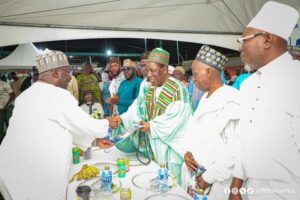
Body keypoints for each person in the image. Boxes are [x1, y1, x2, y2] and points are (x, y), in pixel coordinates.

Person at [0, 50, 118, 200]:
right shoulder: (57, 94)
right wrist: (108, 122)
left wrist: (93, 140)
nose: (70, 77)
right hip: (35, 175)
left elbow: (56, 127)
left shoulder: (25, 96)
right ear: (55, 73)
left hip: (10, 170)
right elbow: (86, 124)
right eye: (67, 72)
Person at [229, 2, 300, 200]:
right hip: (252, 188)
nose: (240, 47)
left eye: (244, 40)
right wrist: (236, 187)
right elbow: (244, 139)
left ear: (267, 40)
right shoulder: (248, 84)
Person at [180, 45, 239, 199]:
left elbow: (235, 152)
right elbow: (193, 131)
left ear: (209, 72)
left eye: (195, 74)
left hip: (217, 183)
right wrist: (186, 152)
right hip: (198, 178)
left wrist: (209, 177)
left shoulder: (231, 100)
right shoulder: (206, 98)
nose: (193, 79)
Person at [135, 48, 193, 183]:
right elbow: (141, 109)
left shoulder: (177, 88)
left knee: (172, 187)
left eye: (153, 70)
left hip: (172, 150)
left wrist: (151, 126)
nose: (149, 74)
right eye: (147, 70)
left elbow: (177, 120)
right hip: (155, 147)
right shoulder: (151, 88)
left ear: (165, 70)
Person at [0, 80, 15, 144]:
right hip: (1, 108)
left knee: (9, 123)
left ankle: (12, 139)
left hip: (7, 107)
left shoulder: (4, 84)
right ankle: (1, 139)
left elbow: (13, 94)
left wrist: (7, 105)